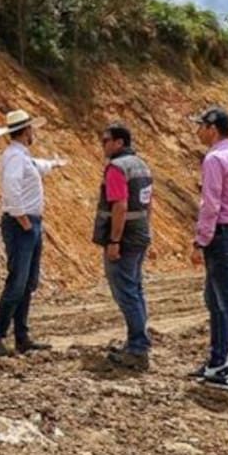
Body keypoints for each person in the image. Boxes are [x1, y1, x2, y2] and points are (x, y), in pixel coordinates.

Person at [0, 109, 67, 357]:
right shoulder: (15, 157)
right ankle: (0, 337)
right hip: (22, 225)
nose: (34, 133)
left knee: (27, 282)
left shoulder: (20, 156)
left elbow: (37, 166)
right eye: (31, 129)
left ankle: (21, 337)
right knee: (17, 282)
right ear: (25, 132)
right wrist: (22, 219)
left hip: (27, 224)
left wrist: (54, 163)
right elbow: (12, 188)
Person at [189, 105, 228, 391]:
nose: (197, 131)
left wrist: (200, 240)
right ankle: (218, 362)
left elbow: (211, 204)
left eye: (200, 126)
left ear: (212, 129)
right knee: (215, 301)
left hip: (221, 236)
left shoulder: (214, 159)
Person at [92, 122, 154, 371]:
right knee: (135, 290)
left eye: (106, 140)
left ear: (119, 143)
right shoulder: (141, 165)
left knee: (126, 293)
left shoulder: (117, 168)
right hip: (138, 236)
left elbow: (119, 206)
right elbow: (149, 204)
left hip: (124, 239)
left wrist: (114, 240)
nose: (103, 145)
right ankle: (135, 343)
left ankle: (138, 349)